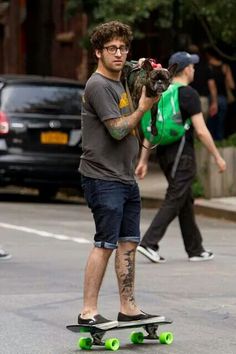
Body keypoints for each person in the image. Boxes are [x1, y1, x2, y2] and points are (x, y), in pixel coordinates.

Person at [78, 20, 162, 328]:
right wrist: (143, 107)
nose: (119, 53)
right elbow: (116, 130)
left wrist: (146, 73)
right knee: (106, 242)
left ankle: (128, 307)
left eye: (123, 48)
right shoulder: (98, 85)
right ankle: (88, 311)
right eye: (112, 48)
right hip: (102, 177)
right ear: (98, 52)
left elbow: (138, 115)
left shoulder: (120, 81)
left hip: (124, 177)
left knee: (128, 242)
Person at [136, 51, 226, 263]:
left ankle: (195, 249)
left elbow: (152, 128)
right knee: (175, 198)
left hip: (164, 155)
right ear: (186, 69)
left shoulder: (161, 91)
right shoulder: (188, 94)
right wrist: (217, 157)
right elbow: (202, 131)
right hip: (182, 156)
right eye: (192, 66)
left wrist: (143, 160)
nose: (194, 69)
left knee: (184, 199)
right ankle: (149, 242)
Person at [205, 46, 235, 140]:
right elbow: (231, 85)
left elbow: (210, 84)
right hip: (223, 98)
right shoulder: (225, 67)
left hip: (210, 97)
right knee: (221, 121)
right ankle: (220, 139)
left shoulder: (208, 66)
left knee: (211, 120)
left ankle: (211, 139)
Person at [188, 44, 218, 121]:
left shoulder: (186, 68)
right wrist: (214, 102)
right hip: (202, 100)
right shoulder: (205, 66)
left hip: (188, 99)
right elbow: (212, 85)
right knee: (202, 126)